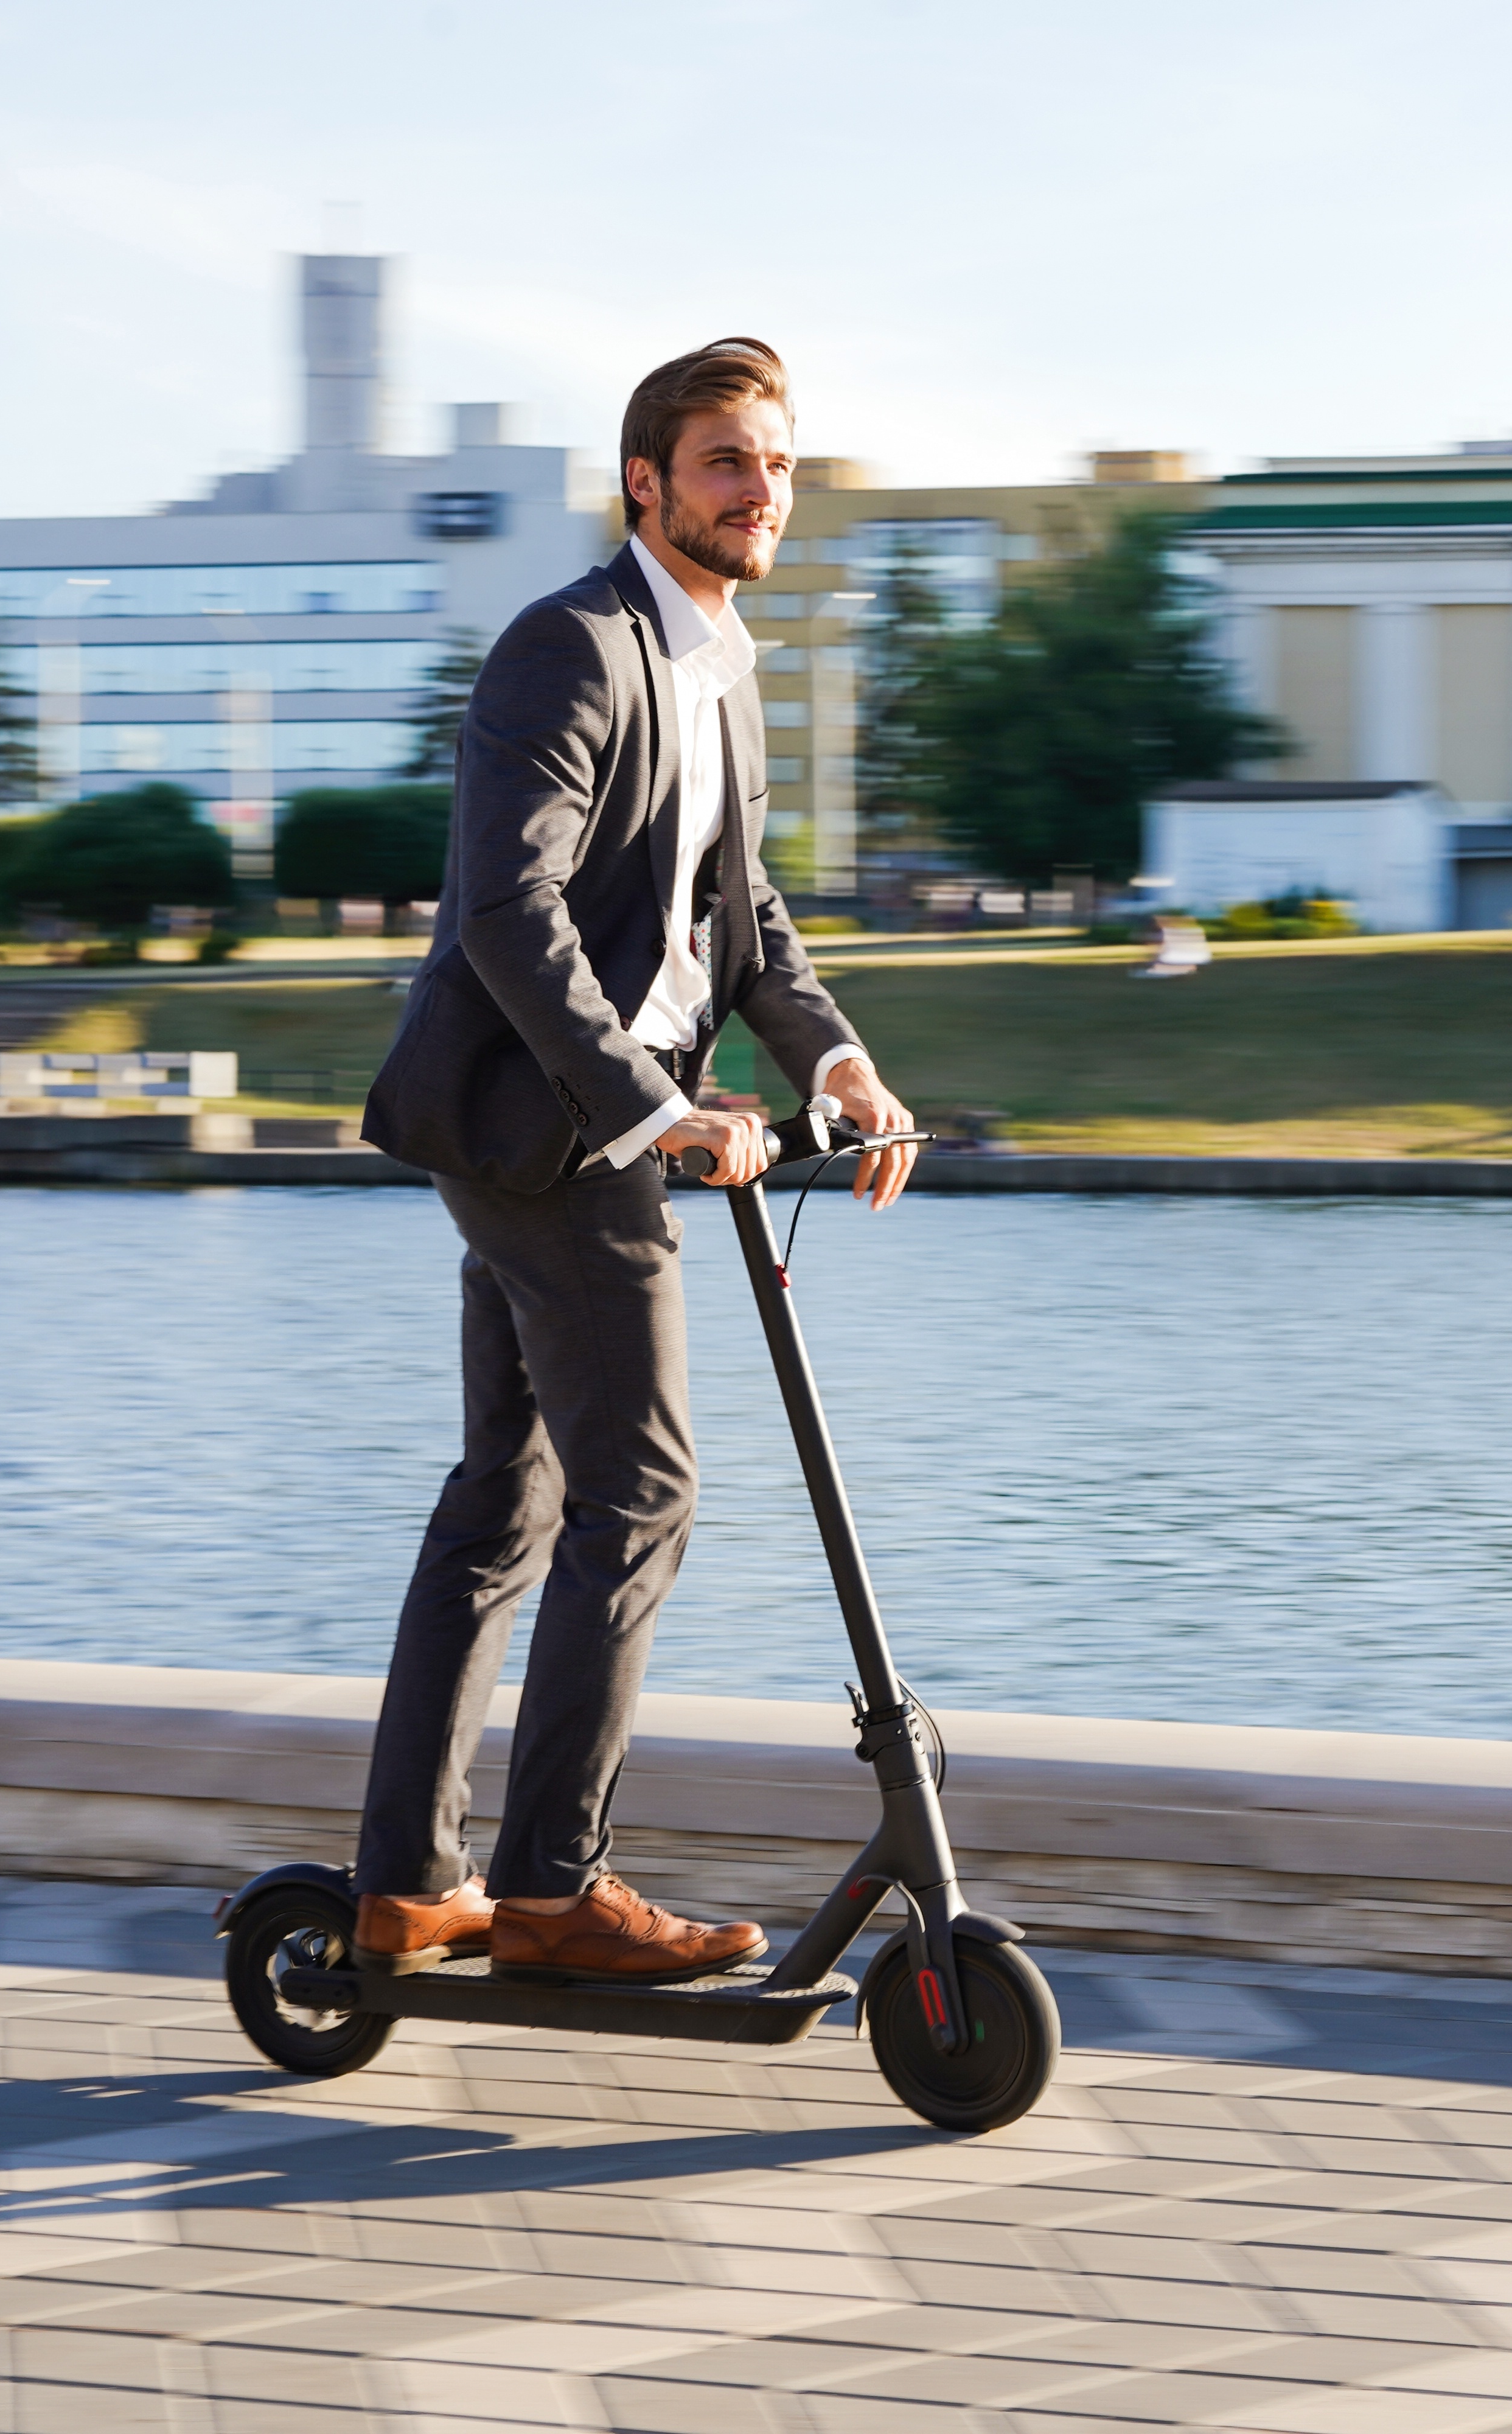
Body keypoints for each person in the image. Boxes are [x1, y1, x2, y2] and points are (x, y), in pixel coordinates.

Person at [351, 338, 919, 1988]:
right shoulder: (573, 646)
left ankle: (409, 1886)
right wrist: (655, 1110)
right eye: (729, 460)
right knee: (643, 1489)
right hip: (548, 1124)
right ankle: (552, 1888)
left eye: (779, 463)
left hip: (592, 1124)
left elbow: (746, 916)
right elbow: (507, 912)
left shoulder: (722, 667)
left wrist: (833, 1059)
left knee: (509, 1496)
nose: (762, 490)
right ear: (647, 483)